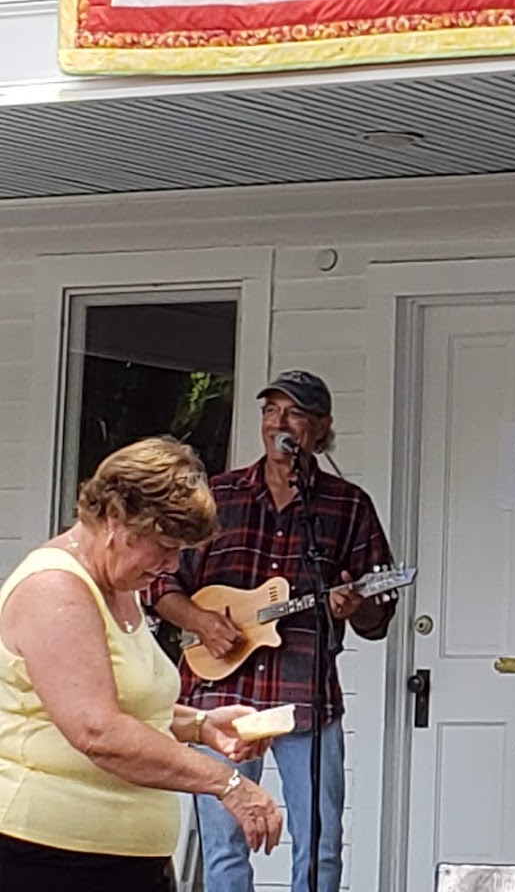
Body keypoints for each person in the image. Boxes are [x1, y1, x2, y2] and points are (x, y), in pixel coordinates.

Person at [147, 370, 397, 892]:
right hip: (220, 693)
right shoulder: (218, 495)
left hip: (306, 692)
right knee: (225, 846)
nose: (278, 423)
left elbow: (377, 620)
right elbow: (161, 582)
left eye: (294, 413)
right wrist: (200, 622)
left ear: (321, 427)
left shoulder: (348, 505)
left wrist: (354, 606)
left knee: (320, 845)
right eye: (270, 411)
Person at [0, 437, 282, 891]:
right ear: (116, 519)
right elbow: (98, 731)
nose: (171, 565)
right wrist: (227, 783)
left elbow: (128, 708)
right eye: (165, 546)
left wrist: (202, 725)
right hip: (48, 857)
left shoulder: (120, 582)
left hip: (128, 858)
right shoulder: (54, 588)